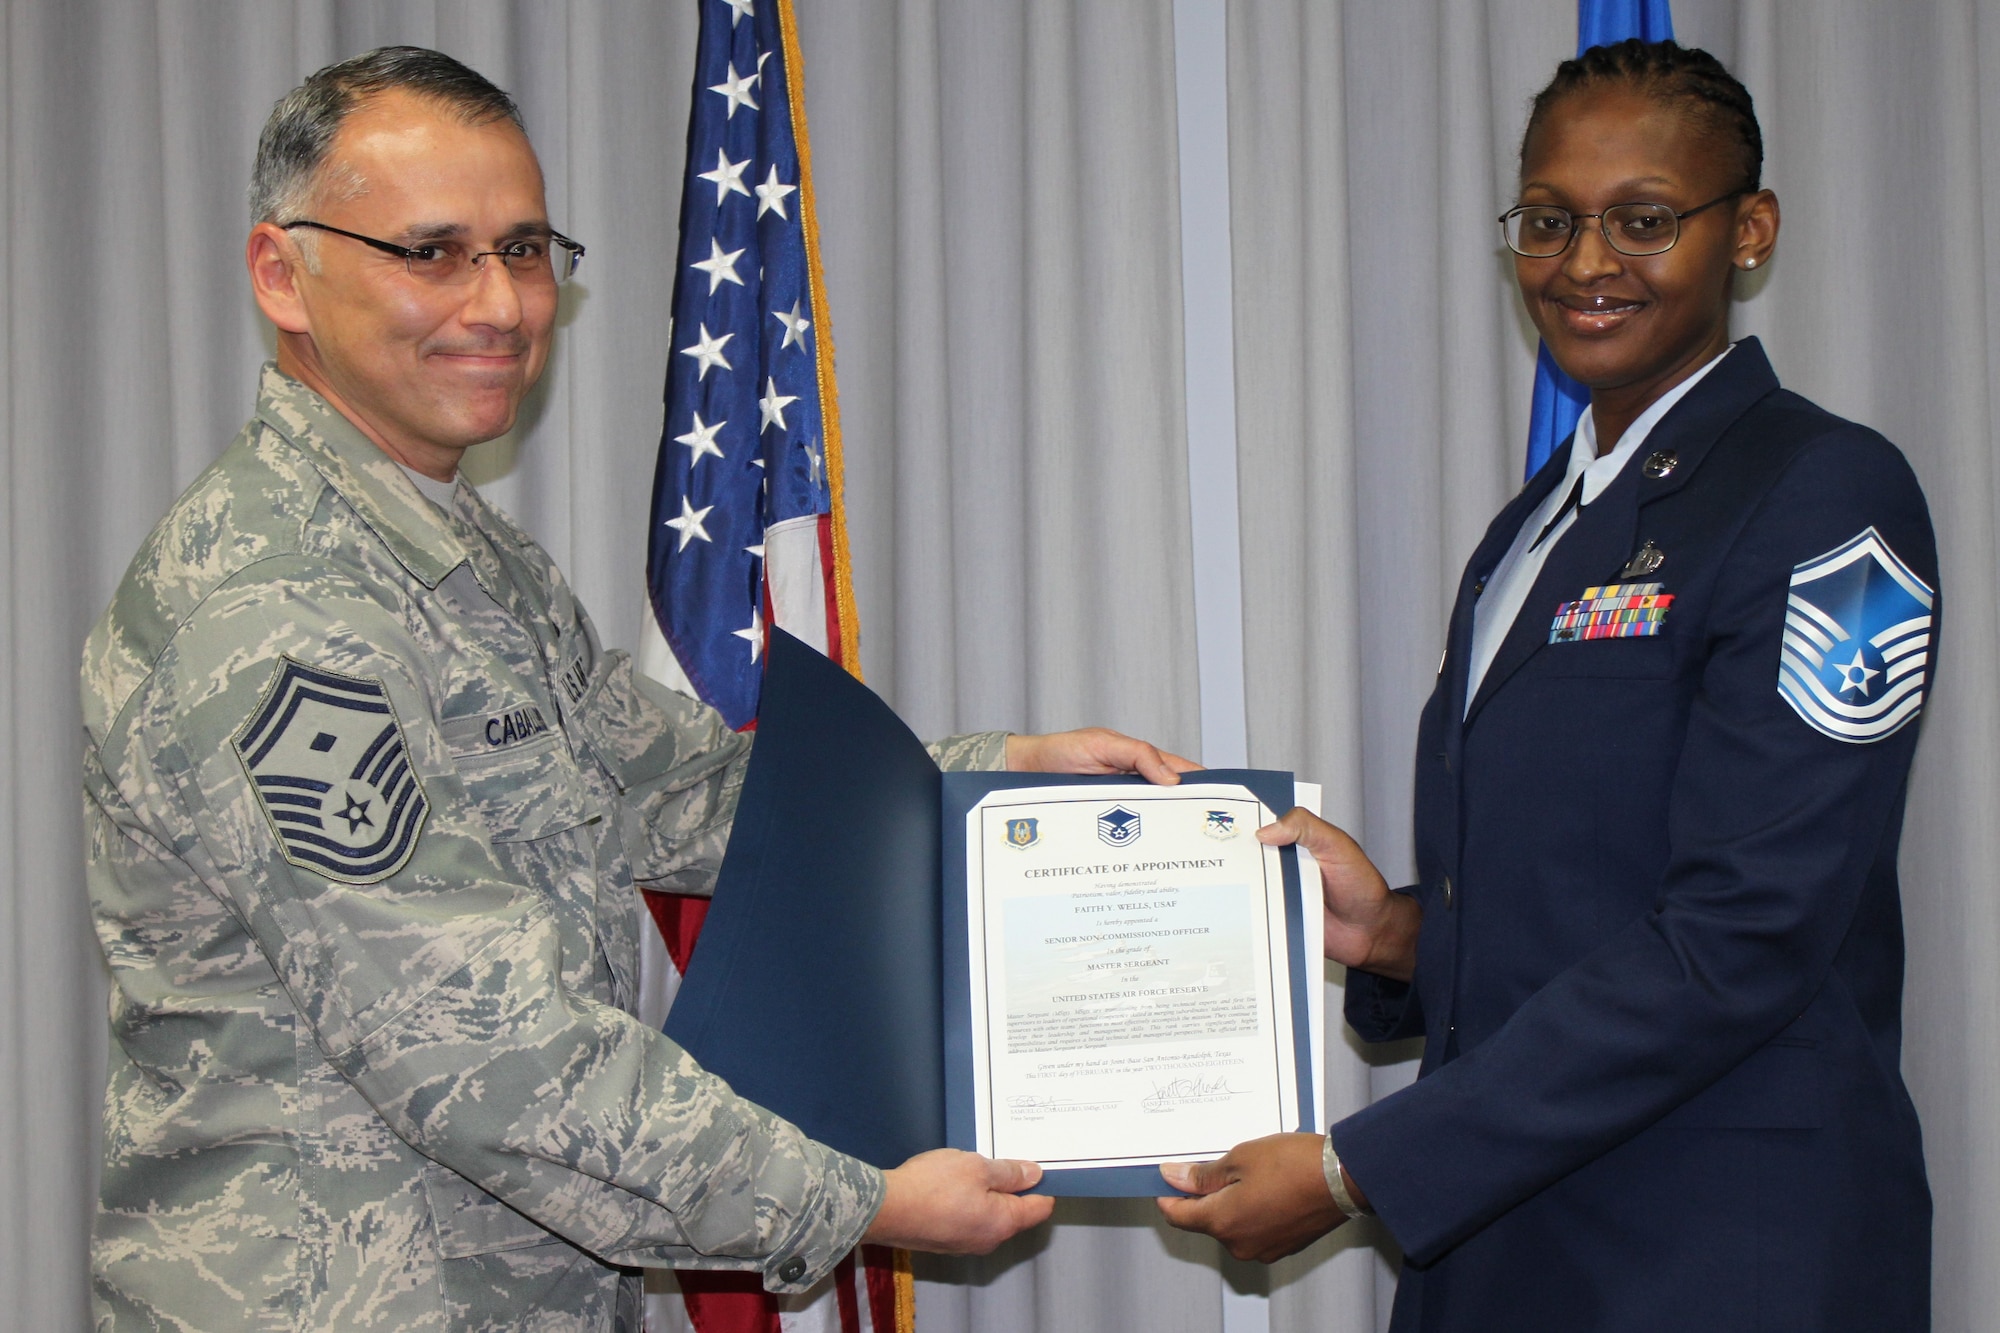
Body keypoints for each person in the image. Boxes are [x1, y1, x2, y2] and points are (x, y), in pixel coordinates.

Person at [82, 47, 1194, 1332]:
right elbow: (486, 1057)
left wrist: (997, 784)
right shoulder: (277, 611)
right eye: (431, 252)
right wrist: (854, 1202)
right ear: (284, 273)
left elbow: (693, 796)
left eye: (522, 248)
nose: (499, 302)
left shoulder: (457, 552)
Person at [1160, 39, 1935, 1331]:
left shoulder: (1829, 499)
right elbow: (1586, 886)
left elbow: (1742, 936)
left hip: (1718, 1260)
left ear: (1748, 231)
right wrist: (1393, 932)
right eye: (1549, 221)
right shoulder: (1538, 527)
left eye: (1642, 221)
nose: (1583, 264)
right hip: (1515, 1251)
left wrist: (1358, 1168)